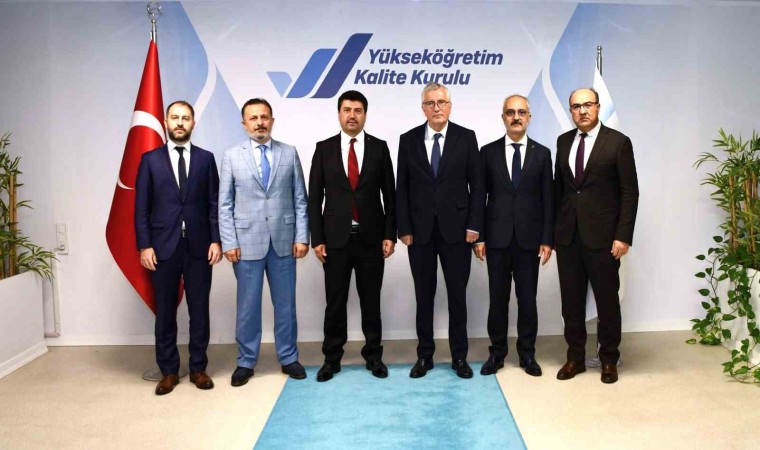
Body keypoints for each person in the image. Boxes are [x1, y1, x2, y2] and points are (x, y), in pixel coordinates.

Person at [396, 82, 485, 379]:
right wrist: (404, 227)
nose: (436, 108)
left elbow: (478, 186)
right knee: (424, 296)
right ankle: (425, 356)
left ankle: (460, 357)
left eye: (441, 102)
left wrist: (474, 226)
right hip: (419, 233)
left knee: (457, 296)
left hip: (458, 232)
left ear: (450, 106)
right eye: (430, 103)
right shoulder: (408, 140)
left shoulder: (466, 137)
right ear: (423, 108)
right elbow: (401, 187)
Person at [218, 98, 309, 386]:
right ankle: (246, 361)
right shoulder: (231, 156)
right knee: (248, 308)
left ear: (272, 120)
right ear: (244, 124)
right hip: (245, 244)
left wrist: (302, 236)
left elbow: (300, 199)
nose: (260, 122)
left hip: (284, 242)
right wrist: (229, 242)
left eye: (264, 117)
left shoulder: (289, 153)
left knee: (286, 305)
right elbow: (224, 204)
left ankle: (289, 357)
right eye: (253, 118)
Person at [135, 100, 223, 395]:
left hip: (200, 247)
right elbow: (141, 208)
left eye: (186, 118)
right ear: (166, 122)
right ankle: (169, 371)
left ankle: (198, 368)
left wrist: (216, 239)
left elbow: (214, 203)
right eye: (175, 117)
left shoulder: (206, 159)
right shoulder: (150, 160)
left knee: (199, 310)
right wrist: (145, 246)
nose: (180, 122)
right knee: (165, 312)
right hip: (162, 248)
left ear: (193, 123)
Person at [308, 90, 396, 382]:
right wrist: (317, 238)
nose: (352, 115)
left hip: (371, 239)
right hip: (335, 241)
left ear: (365, 115)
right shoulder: (324, 149)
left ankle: (374, 357)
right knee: (335, 303)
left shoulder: (380, 148)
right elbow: (314, 198)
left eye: (358, 110)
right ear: (339, 114)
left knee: (371, 302)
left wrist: (390, 234)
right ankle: (331, 359)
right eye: (347, 110)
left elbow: (390, 196)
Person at [554, 88, 639, 384]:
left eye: (587, 104)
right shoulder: (563, 142)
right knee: (571, 304)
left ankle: (609, 359)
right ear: (571, 111)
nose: (582, 111)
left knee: (607, 303)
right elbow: (560, 189)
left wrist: (623, 236)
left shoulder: (618, 142)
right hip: (568, 238)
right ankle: (575, 358)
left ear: (598, 107)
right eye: (576, 106)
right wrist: (554, 233)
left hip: (604, 239)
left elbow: (629, 192)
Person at [474, 94, 553, 377]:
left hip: (529, 241)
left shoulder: (542, 154)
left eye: (521, 112)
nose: (516, 117)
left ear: (529, 117)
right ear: (503, 118)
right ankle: (497, 353)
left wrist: (547, 239)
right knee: (498, 300)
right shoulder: (487, 152)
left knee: (527, 300)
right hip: (496, 240)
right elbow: (479, 198)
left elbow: (548, 199)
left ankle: (527, 354)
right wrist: (479, 237)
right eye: (510, 112)